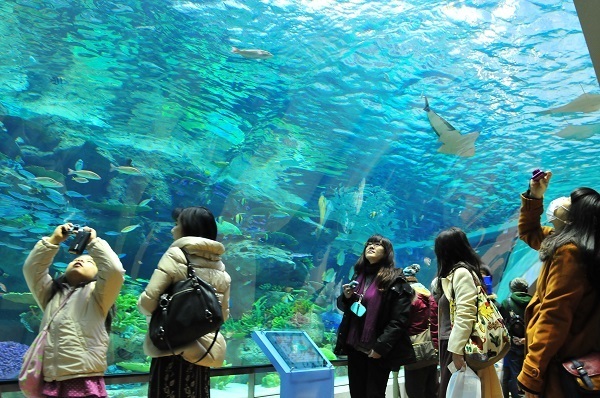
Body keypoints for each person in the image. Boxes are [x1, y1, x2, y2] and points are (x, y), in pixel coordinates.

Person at [516, 172, 600, 398]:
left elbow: (555, 315)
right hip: (582, 357)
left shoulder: (570, 253)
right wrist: (535, 196)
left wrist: (531, 372)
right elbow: (529, 232)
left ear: (577, 218)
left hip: (561, 361)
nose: (564, 206)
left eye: (571, 204)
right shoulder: (584, 246)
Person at [22, 223, 125, 398]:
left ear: (98, 273)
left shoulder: (98, 296)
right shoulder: (52, 295)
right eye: (76, 260)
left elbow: (114, 271)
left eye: (89, 261)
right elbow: (32, 269)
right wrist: (53, 241)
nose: (80, 260)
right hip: (51, 378)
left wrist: (93, 243)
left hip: (83, 376)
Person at [138, 206, 231, 398]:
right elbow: (223, 314)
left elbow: (148, 302)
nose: (173, 229)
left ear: (188, 228)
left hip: (171, 347)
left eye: (177, 224)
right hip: (203, 351)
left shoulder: (176, 255)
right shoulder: (220, 266)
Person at [334, 234, 416, 397]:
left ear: (387, 253)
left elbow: (399, 321)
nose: (371, 246)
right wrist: (346, 297)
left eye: (378, 245)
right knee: (357, 394)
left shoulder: (395, 281)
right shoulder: (358, 276)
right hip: (354, 347)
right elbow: (346, 308)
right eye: (369, 243)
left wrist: (380, 347)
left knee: (374, 394)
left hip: (376, 350)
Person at [434, 227, 502, 398]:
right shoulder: (453, 274)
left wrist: (457, 351)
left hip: (459, 344)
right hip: (450, 343)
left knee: (460, 392)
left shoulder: (461, 273)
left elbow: (465, 313)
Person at [403, 264, 438, 398]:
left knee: (414, 391)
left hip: (415, 351)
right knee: (431, 390)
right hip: (432, 349)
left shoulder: (409, 295)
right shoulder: (428, 294)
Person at [498, 278, 531, 398]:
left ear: (512, 289)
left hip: (512, 345)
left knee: (512, 375)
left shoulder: (506, 303)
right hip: (530, 345)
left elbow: (500, 324)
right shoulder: (534, 301)